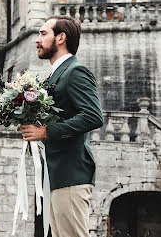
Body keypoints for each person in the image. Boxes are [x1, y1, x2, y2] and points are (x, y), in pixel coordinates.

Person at [20, 16, 103, 237]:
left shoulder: (75, 72)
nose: (37, 40)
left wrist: (46, 131)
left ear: (61, 38)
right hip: (57, 174)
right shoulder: (56, 75)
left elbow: (94, 116)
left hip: (71, 173)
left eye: (43, 34)